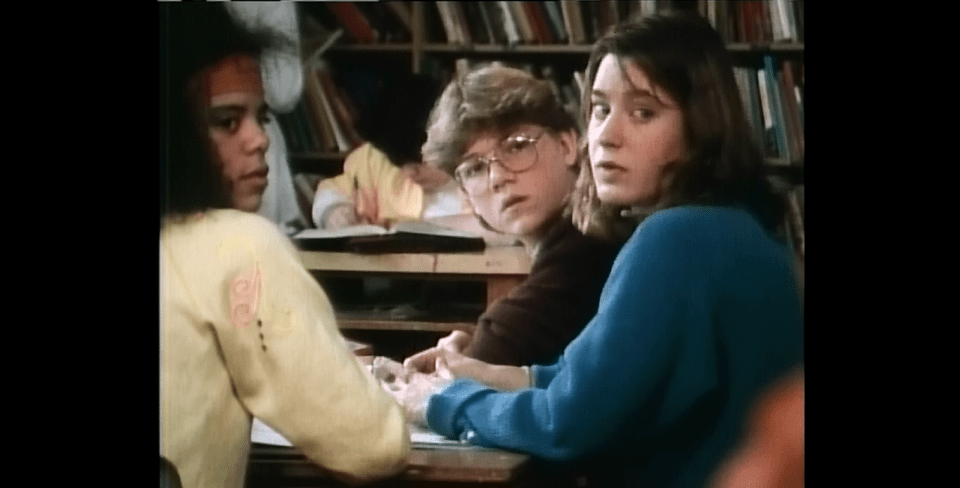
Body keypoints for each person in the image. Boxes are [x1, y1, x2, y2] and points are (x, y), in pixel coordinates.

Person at [387, 13, 804, 488]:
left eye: (643, 112)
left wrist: (439, 403)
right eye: (600, 109)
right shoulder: (736, 225)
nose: (606, 135)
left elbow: (565, 423)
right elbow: (589, 381)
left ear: (700, 126)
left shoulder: (674, 238)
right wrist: (481, 373)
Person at [159, 4, 409, 488]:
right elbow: (372, 445)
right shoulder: (237, 245)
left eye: (262, 117)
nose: (260, 140)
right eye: (227, 121)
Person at [400, 64, 625, 370]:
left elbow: (500, 345)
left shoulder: (590, 243)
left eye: (517, 146)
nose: (497, 177)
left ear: (567, 145)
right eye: (474, 168)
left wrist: (472, 353)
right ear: (465, 194)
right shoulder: (566, 243)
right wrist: (470, 346)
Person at [310, 71, 469, 231]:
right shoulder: (374, 161)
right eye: (398, 163)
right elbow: (331, 190)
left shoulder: (475, 166)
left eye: (422, 161)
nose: (410, 173)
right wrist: (334, 211)